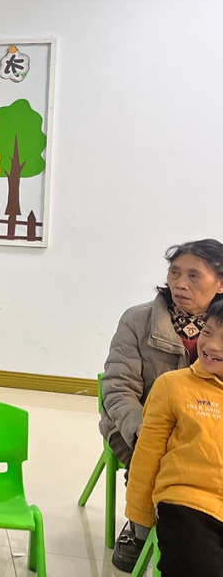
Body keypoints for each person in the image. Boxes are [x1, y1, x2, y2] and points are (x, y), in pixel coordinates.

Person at [100, 238, 223, 571]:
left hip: (203, 429)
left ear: (220, 283)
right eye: (175, 272)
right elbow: (118, 389)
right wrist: (143, 429)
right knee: (153, 458)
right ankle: (142, 529)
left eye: (194, 276)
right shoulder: (138, 320)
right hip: (138, 425)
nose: (180, 283)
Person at [124, 299, 223, 576]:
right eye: (207, 332)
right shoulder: (173, 385)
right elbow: (148, 454)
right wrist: (140, 517)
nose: (212, 345)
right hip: (188, 501)